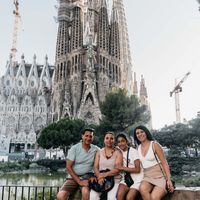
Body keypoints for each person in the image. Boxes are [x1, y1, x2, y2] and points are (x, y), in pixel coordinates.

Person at [133, 125, 174, 200]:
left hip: (160, 176)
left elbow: (164, 163)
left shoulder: (155, 145)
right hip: (147, 176)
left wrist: (169, 180)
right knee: (142, 189)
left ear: (146, 132)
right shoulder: (138, 148)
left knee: (154, 197)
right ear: (136, 136)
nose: (140, 134)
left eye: (142, 132)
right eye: (137, 133)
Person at [57, 128, 99, 200]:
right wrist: (79, 181)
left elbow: (106, 152)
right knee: (61, 196)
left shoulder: (96, 149)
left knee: (85, 193)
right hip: (73, 177)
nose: (88, 138)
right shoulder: (74, 148)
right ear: (82, 136)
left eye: (90, 136)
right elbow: (68, 167)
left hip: (87, 176)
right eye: (86, 136)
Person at [90, 131, 123, 200]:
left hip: (114, 179)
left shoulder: (118, 152)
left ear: (114, 141)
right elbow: (95, 167)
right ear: (104, 140)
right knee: (92, 197)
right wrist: (99, 176)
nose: (109, 140)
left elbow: (117, 169)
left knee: (111, 198)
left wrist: (103, 175)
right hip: (100, 178)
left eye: (111, 138)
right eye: (107, 138)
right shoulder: (99, 152)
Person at [116, 133, 143, 200]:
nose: (121, 143)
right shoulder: (119, 152)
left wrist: (122, 168)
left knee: (129, 197)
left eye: (122, 141)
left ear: (127, 141)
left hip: (137, 179)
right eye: (118, 142)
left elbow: (137, 169)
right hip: (126, 179)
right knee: (119, 195)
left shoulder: (133, 152)